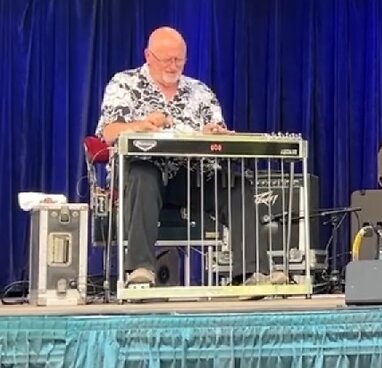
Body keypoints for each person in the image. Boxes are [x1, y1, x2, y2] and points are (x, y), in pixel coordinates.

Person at [96, 26, 287, 288]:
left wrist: (213, 134)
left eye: (179, 59)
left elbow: (217, 134)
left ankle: (251, 274)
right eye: (167, 59)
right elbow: (109, 133)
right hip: (142, 176)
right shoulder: (124, 84)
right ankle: (140, 269)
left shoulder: (200, 91)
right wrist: (140, 125)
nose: (174, 66)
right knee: (143, 173)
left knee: (236, 185)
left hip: (192, 176)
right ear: (148, 56)